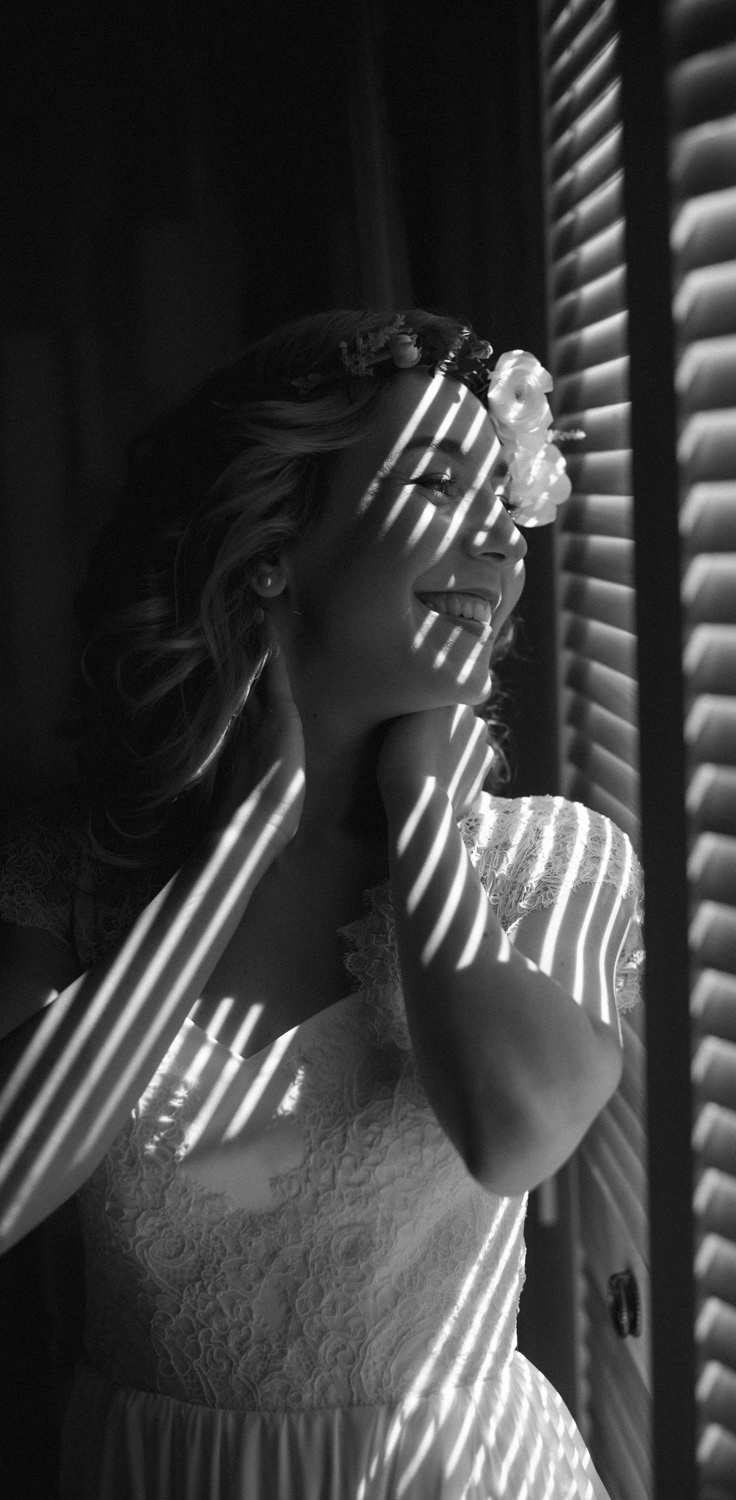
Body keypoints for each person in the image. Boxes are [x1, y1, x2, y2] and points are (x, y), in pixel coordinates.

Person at [0, 309, 643, 1498]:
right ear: (274, 544)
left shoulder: (551, 860)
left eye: (503, 501)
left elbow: (514, 1133)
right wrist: (243, 843)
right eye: (437, 483)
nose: (497, 537)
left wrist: (421, 812)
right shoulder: (71, 870)